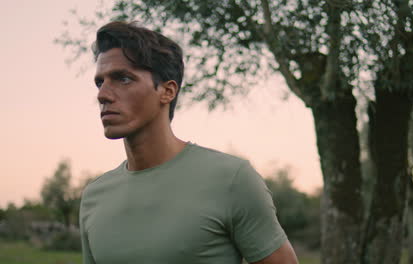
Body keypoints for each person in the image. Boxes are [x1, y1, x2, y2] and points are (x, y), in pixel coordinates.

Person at [79, 21, 298, 264]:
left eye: (123, 79)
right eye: (100, 82)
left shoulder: (231, 180)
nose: (103, 94)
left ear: (167, 91)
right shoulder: (93, 197)